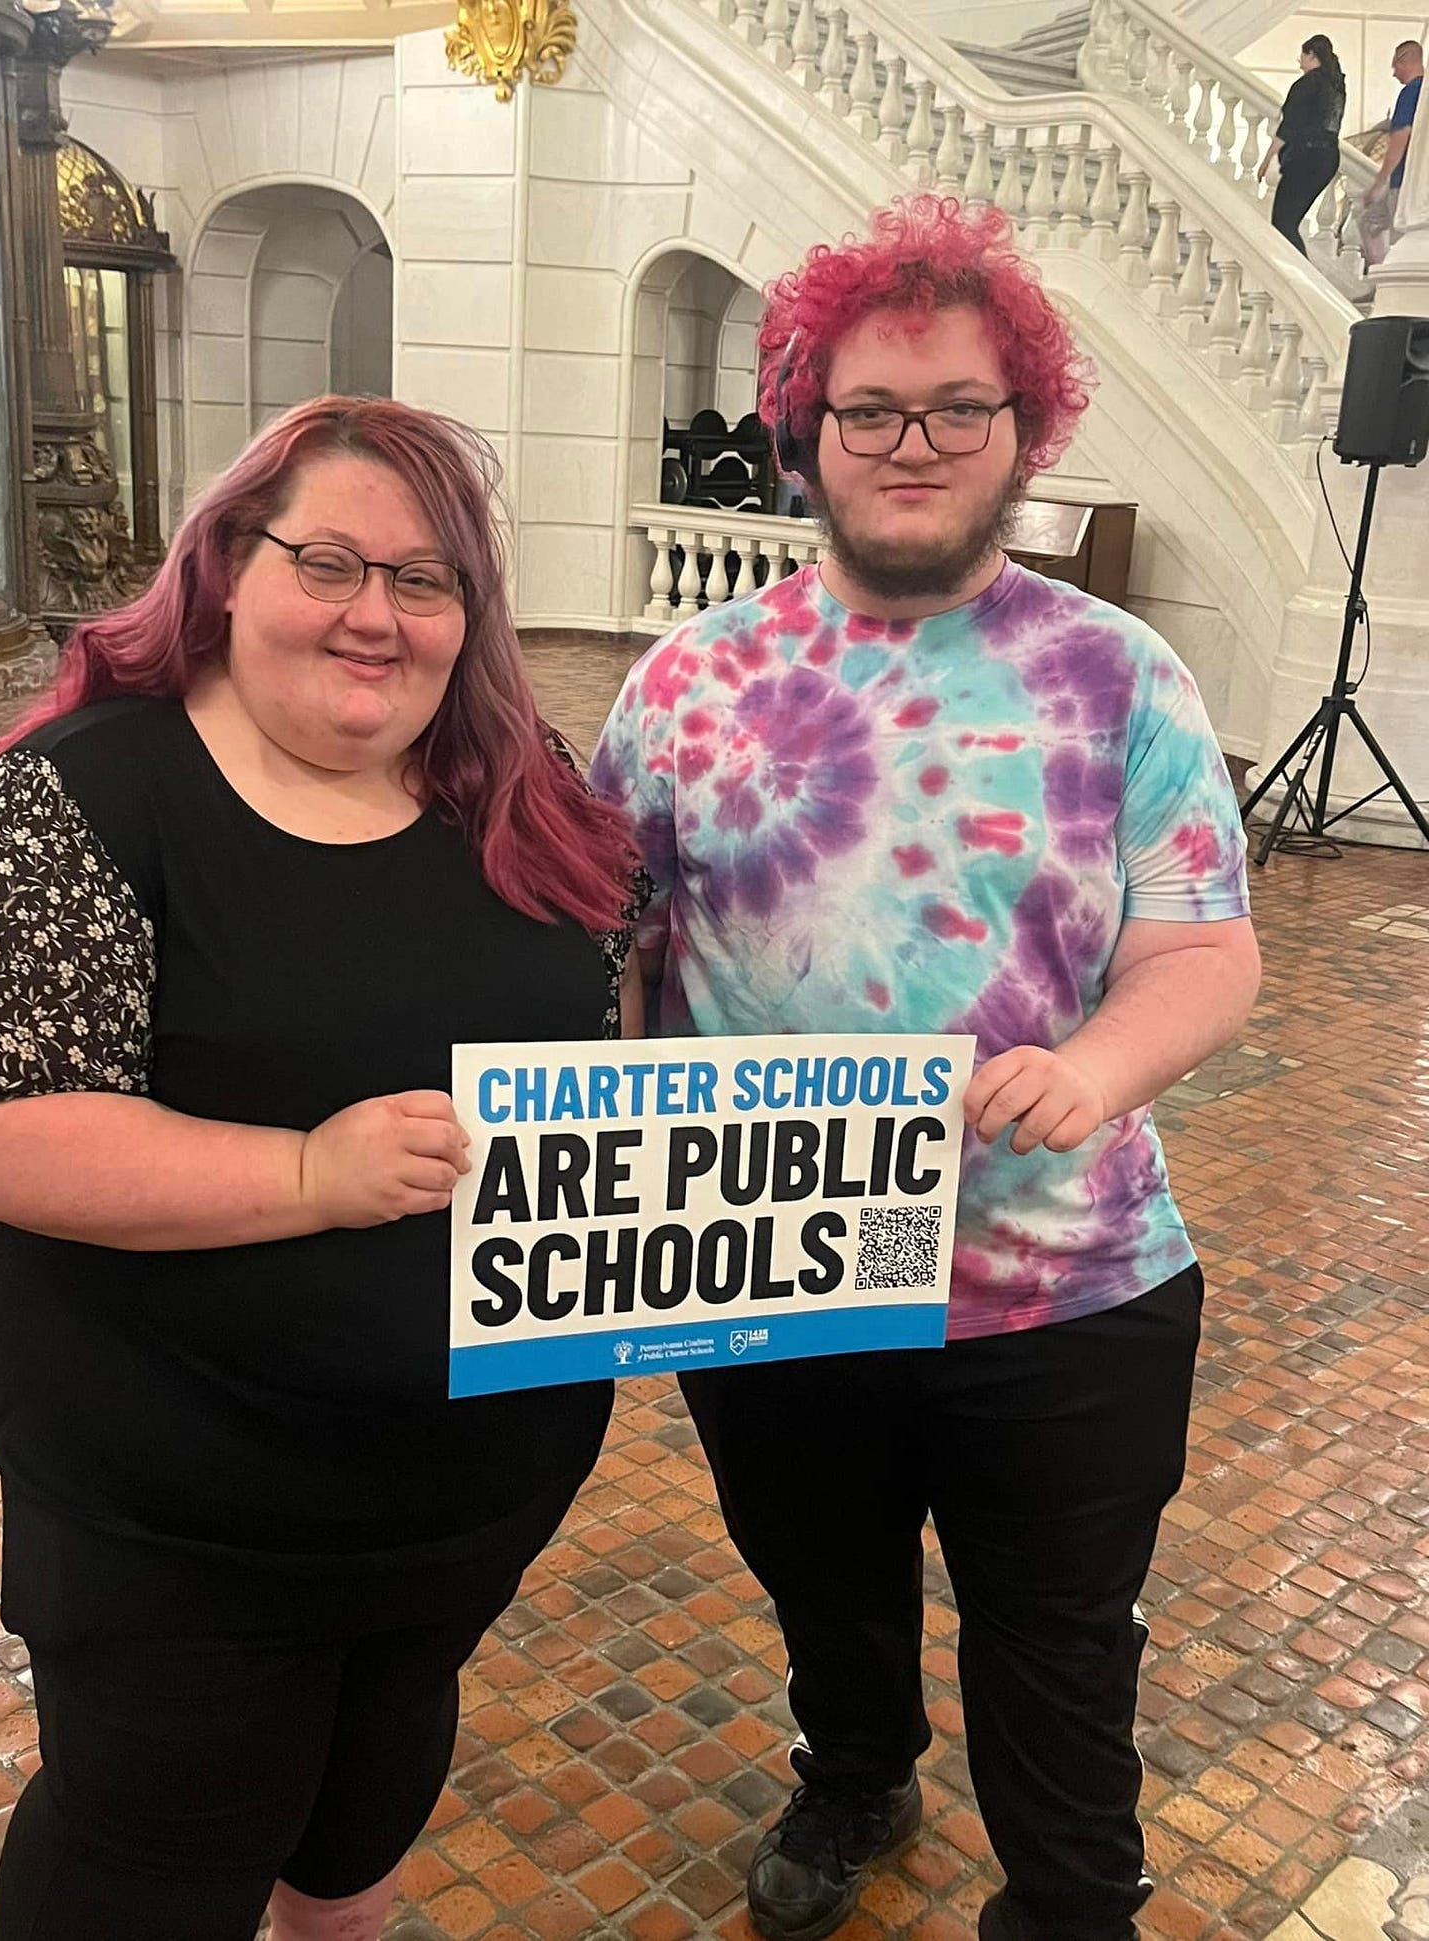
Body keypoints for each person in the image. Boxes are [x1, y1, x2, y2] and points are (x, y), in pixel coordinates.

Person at [591, 195, 1261, 1941]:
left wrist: (1095, 1070)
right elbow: (612, 950)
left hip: (1070, 1279)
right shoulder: (684, 685)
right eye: (871, 409)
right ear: (802, 430)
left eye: (959, 407)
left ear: (1022, 429)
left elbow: (1203, 951)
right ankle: (857, 1770)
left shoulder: (1119, 677)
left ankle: (1071, 1904)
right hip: (778, 1263)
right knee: (825, 1584)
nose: (914, 443)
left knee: (1060, 1632)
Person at [0, 396, 644, 1941]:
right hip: (181, 1524)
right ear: (225, 566)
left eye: (424, 580)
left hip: (464, 1500)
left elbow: (601, 1045)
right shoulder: (84, 792)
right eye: (328, 562)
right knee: (148, 1857)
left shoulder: (519, 782)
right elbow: (3, 1127)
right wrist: (308, 1174)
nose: (374, 615)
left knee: (360, 1820)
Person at [1257, 34, 1347, 253]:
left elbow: (1289, 126)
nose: (1300, 62)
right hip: (1328, 158)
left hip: (1306, 157)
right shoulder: (1336, 86)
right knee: (1289, 221)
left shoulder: (1307, 84)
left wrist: (1267, 160)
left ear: (1312, 55)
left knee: (1283, 222)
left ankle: (1300, 272)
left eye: (1302, 56)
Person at [1361, 40, 1423, 267]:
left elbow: (1400, 139)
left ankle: (1386, 275)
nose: (1394, 73)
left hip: (1404, 180)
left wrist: (1380, 181)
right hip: (1416, 180)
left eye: (1395, 65)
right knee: (1371, 220)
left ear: (1405, 60)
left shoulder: (1410, 93)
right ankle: (1382, 271)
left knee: (1400, 237)